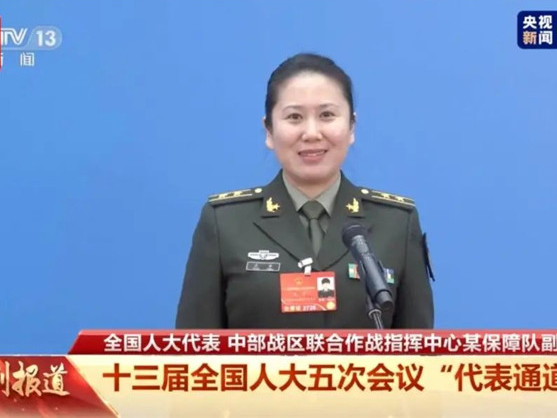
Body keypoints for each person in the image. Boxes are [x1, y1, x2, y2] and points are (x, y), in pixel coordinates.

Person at [176, 53, 435, 329]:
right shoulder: (225, 223)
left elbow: (417, 349)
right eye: (294, 117)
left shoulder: (397, 223)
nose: (311, 133)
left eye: (327, 115)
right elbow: (194, 346)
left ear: (351, 127)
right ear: (269, 130)